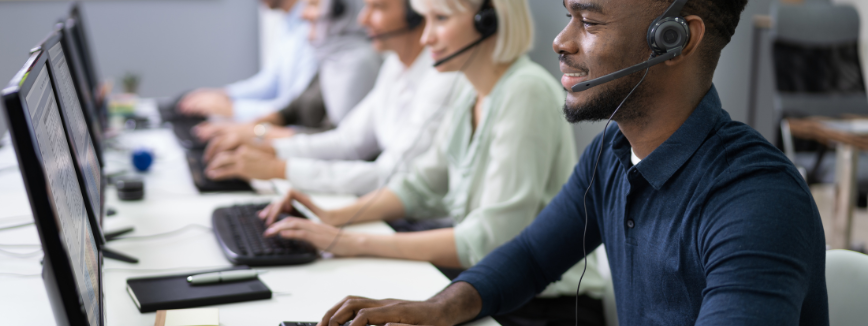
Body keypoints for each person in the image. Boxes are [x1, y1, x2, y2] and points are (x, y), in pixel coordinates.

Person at [315, 0, 830, 325]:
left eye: (589, 20)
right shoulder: (611, 153)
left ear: (675, 40)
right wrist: (437, 308)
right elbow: (533, 257)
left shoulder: (757, 201)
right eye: (568, 16)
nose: (561, 41)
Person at [260, 0, 607, 322]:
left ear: (487, 21)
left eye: (439, 19)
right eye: (424, 20)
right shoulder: (469, 89)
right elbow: (420, 186)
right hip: (488, 290)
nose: (426, 37)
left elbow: (488, 239)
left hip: (542, 307)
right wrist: (334, 217)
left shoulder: (525, 91)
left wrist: (348, 241)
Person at [199, 0, 462, 196]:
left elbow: (390, 174)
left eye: (378, 7)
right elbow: (347, 140)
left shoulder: (441, 78)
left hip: (409, 213)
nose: (363, 19)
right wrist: (269, 148)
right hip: (385, 201)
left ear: (416, 16)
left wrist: (278, 167)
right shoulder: (394, 66)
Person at [192, 0, 382, 136]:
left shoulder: (359, 61)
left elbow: (340, 139)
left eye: (313, 4)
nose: (304, 14)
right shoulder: (330, 54)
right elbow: (291, 108)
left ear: (341, 9)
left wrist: (261, 135)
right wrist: (244, 127)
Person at [177, 0, 317, 122]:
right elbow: (271, 82)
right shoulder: (287, 22)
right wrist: (225, 95)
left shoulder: (314, 25)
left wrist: (233, 109)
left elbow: (295, 108)